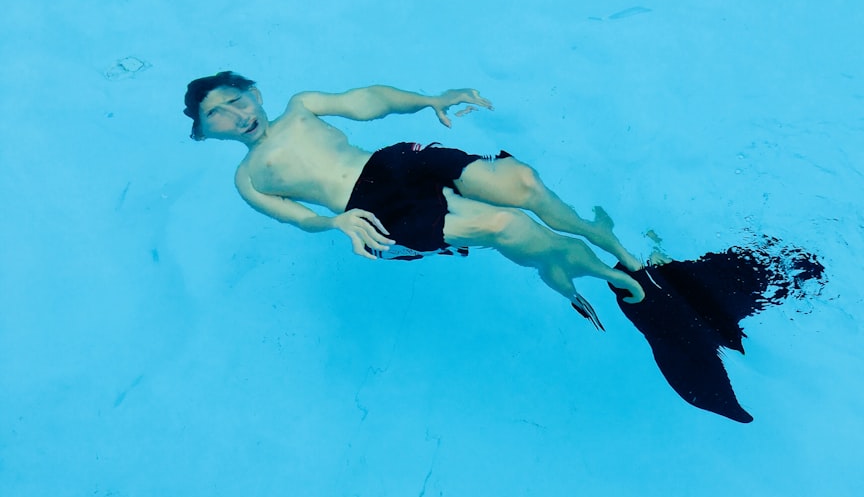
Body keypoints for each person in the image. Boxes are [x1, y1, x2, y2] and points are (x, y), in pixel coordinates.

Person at [183, 71, 645, 326]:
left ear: (256, 94)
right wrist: (333, 224)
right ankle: (561, 266)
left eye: (236, 100)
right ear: (205, 134)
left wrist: (429, 99)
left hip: (392, 162)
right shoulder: (249, 179)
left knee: (521, 181)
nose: (235, 116)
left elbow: (367, 100)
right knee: (508, 226)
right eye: (216, 116)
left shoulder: (300, 107)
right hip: (372, 211)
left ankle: (592, 233)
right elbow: (297, 218)